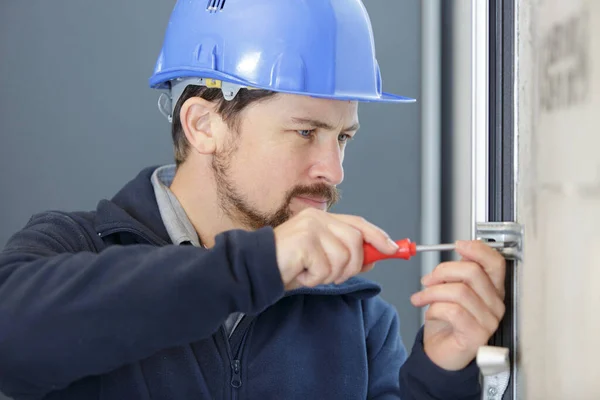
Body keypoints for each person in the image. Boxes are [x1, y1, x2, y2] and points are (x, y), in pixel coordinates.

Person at [0, 1, 506, 399]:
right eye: (305, 131)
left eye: (343, 137)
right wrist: (255, 267)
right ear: (203, 125)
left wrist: (440, 374)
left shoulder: (357, 321)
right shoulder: (76, 248)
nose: (333, 170)